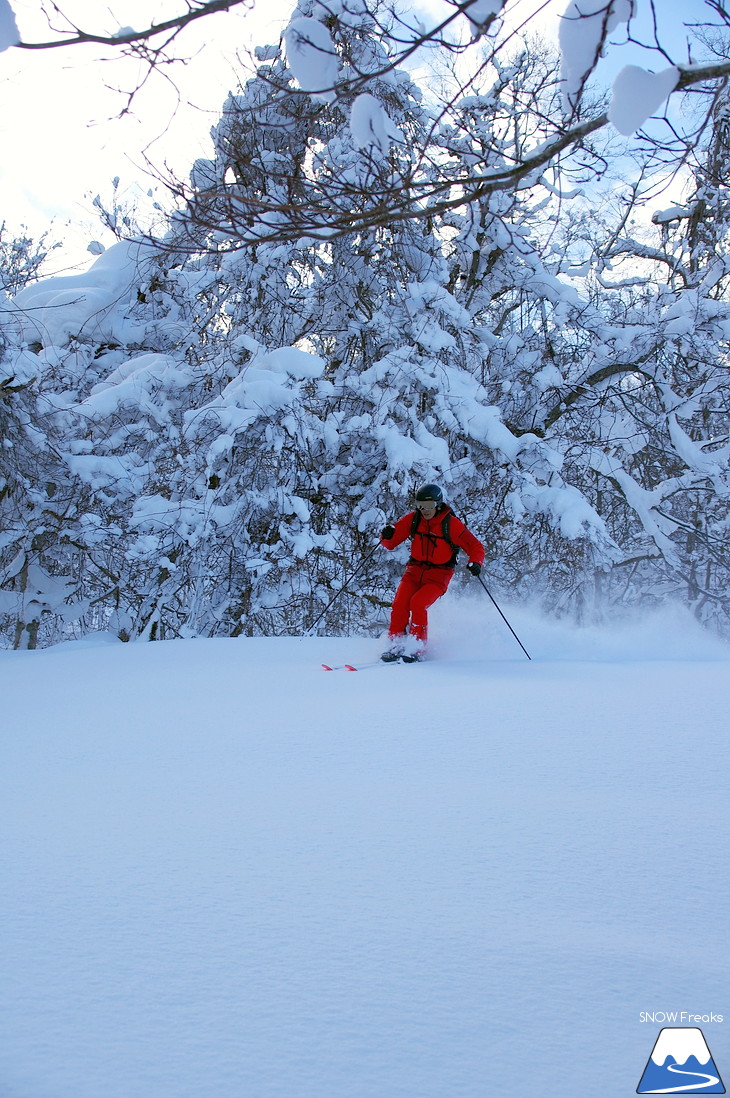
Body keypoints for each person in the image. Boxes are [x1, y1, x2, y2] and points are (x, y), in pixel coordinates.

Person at [379, 483, 485, 662]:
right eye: (420, 505)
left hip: (439, 574)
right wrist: (386, 535)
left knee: (418, 604)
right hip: (414, 570)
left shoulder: (451, 524)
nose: (424, 510)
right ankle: (395, 644)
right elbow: (390, 544)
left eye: (428, 506)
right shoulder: (414, 519)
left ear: (438, 504)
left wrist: (476, 562)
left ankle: (417, 647)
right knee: (400, 605)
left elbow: (475, 546)